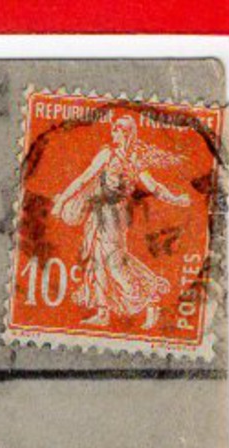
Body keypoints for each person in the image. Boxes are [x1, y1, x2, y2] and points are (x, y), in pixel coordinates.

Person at [51, 112, 192, 329]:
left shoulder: (134, 160)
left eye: (118, 130)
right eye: (114, 129)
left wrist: (175, 198)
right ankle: (102, 312)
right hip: (99, 213)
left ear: (127, 134)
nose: (114, 133)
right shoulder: (107, 154)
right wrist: (62, 201)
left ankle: (151, 299)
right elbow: (84, 178)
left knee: (115, 263)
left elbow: (154, 186)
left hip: (115, 217)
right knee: (98, 260)